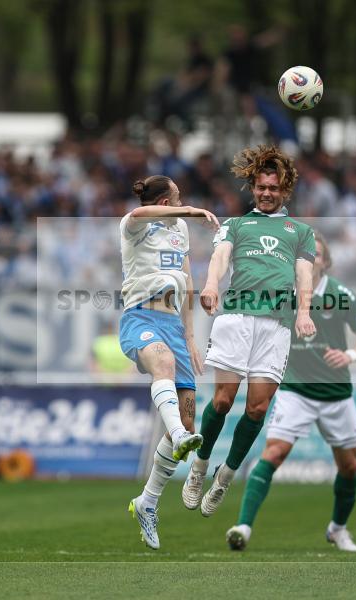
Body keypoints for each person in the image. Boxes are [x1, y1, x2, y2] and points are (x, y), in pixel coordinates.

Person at [182, 145, 316, 517]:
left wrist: (304, 312)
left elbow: (304, 275)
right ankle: (199, 467)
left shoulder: (301, 232)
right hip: (236, 318)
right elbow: (220, 257)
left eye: (273, 188)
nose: (267, 193)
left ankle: (225, 477)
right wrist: (210, 285)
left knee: (257, 408)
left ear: (284, 190)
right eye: (261, 187)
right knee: (223, 401)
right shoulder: (236, 225)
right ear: (253, 188)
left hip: (276, 326)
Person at [225, 231, 356, 552]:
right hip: (295, 391)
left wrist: (349, 356)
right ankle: (243, 526)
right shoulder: (283, 293)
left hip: (336, 394)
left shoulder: (342, 294)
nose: (311, 260)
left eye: (317, 254)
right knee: (274, 453)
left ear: (327, 262)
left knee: (349, 467)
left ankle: (338, 529)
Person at [119, 175, 219, 550]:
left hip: (174, 326)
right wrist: (193, 210)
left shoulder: (178, 228)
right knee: (161, 364)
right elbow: (138, 211)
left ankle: (147, 502)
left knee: (189, 417)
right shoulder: (133, 226)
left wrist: (191, 337)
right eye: (177, 198)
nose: (183, 202)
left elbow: (187, 281)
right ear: (166, 202)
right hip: (140, 318)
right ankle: (177, 434)